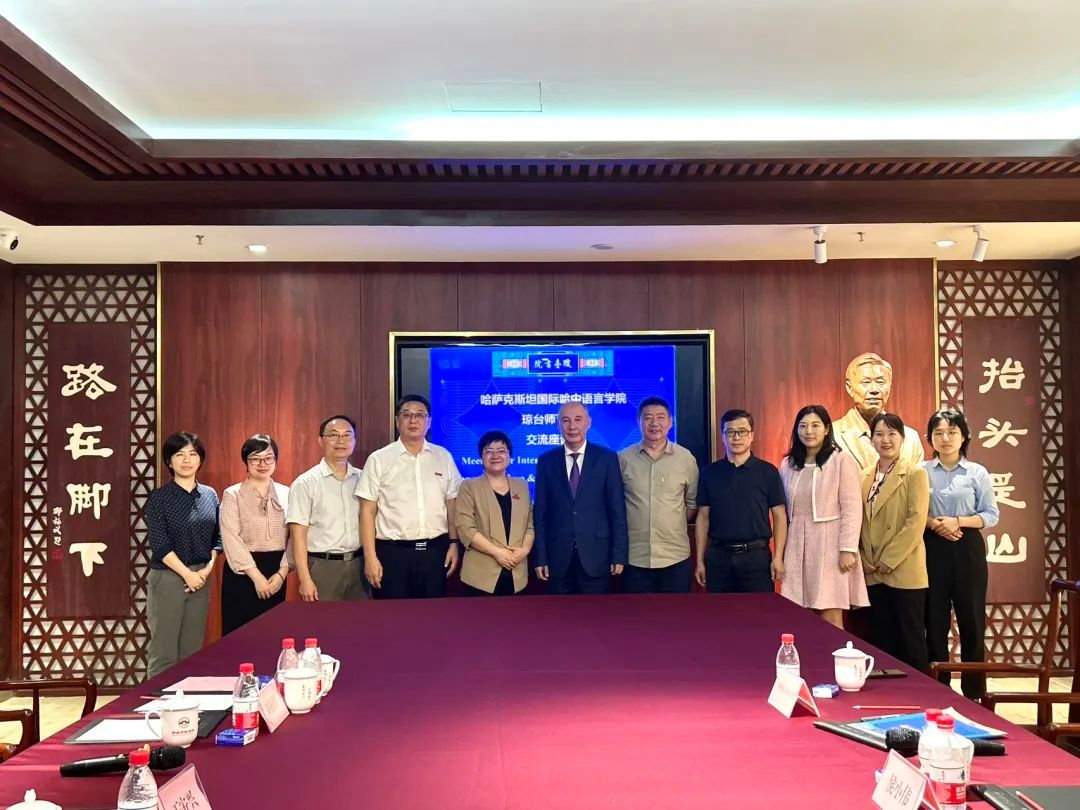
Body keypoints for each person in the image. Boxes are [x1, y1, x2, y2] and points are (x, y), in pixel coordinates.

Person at [924, 409, 1000, 699]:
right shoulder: (921, 471)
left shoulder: (976, 472)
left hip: (967, 548)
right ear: (930, 438)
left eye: (952, 432)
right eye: (939, 433)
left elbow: (991, 514)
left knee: (972, 621)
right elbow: (912, 511)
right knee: (934, 621)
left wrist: (958, 521)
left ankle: (974, 693)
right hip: (931, 547)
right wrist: (935, 524)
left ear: (965, 436)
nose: (945, 438)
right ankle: (939, 688)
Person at [359, 395, 463, 599]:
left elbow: (451, 504)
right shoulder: (379, 459)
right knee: (392, 615)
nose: (413, 420)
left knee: (433, 614)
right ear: (397, 421)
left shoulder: (443, 457)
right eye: (406, 415)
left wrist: (453, 543)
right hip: (392, 554)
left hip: (435, 552)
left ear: (429, 421)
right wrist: (370, 557)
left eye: (420, 415)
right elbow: (367, 512)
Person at [778, 405, 868, 628]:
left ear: (827, 429)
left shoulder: (841, 460)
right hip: (797, 542)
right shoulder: (788, 464)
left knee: (830, 612)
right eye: (803, 426)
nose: (809, 431)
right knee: (797, 612)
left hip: (830, 542)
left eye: (815, 425)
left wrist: (847, 549)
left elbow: (852, 508)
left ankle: (835, 652)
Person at [146, 432, 221, 680]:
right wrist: (187, 574)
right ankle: (157, 699)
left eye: (192, 454)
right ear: (169, 461)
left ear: (200, 460)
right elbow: (160, 545)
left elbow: (218, 538)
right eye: (179, 455)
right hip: (169, 577)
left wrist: (206, 570)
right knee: (164, 650)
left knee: (192, 650)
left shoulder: (210, 495)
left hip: (201, 578)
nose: (186, 460)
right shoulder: (159, 498)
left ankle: (188, 698)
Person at [860, 412, 931, 672]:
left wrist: (888, 559)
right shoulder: (864, 475)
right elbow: (859, 520)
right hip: (873, 570)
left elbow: (916, 523)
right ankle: (888, 692)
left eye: (892, 434)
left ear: (902, 438)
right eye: (879, 434)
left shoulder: (915, 473)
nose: (885, 440)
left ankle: (919, 691)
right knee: (881, 639)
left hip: (903, 569)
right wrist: (864, 558)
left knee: (910, 639)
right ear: (871, 440)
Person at [533, 401, 628, 594]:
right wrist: (540, 557)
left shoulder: (607, 458)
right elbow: (541, 513)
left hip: (597, 556)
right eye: (565, 420)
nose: (572, 426)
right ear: (557, 425)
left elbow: (617, 510)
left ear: (588, 423)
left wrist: (619, 555)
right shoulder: (546, 461)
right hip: (557, 558)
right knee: (558, 613)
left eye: (578, 419)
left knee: (596, 612)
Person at [695, 409, 787, 593]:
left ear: (752, 435)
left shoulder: (768, 472)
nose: (736, 437)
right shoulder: (709, 473)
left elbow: (779, 515)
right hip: (718, 557)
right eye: (730, 432)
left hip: (756, 557)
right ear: (723, 436)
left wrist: (778, 557)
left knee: (759, 610)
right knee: (719, 610)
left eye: (742, 431)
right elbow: (703, 517)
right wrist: (699, 560)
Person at [618, 396, 699, 593]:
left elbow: (691, 503)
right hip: (635, 557)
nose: (654, 423)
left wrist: (670, 522)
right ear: (638, 422)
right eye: (647, 418)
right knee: (637, 612)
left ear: (670, 422)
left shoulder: (685, 458)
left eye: (661, 417)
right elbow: (616, 504)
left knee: (675, 612)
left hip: (675, 556)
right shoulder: (623, 459)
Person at [286, 415, 367, 601]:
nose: (341, 441)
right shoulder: (305, 483)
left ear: (354, 441)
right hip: (323, 567)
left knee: (360, 619)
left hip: (359, 565)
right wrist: (305, 579)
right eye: (333, 435)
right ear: (320, 441)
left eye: (347, 435)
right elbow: (298, 536)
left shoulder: (363, 479)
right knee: (324, 619)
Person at [219, 434, 291, 635]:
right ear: (246, 461)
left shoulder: (287, 493)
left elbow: (295, 536)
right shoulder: (232, 494)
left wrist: (282, 573)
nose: (263, 464)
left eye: (268, 458)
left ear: (275, 460)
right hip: (243, 573)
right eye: (255, 459)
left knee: (273, 634)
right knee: (240, 635)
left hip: (277, 570)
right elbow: (231, 537)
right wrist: (257, 577)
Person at [455, 430, 534, 595]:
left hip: (517, 573)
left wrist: (525, 550)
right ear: (481, 457)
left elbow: (530, 525)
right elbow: (466, 529)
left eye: (501, 451)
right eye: (489, 451)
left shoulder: (521, 486)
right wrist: (498, 553)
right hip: (480, 577)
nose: (495, 455)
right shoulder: (469, 487)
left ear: (509, 455)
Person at [834, 352, 925, 470]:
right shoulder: (832, 436)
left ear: (889, 386)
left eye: (880, 382)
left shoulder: (910, 438)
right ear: (849, 388)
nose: (874, 390)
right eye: (866, 382)